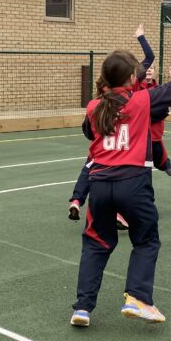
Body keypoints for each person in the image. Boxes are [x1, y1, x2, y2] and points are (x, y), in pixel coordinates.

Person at [69, 19, 171, 328]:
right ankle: (138, 298)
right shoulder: (143, 100)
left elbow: (90, 134)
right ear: (132, 78)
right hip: (133, 183)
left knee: (95, 244)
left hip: (99, 184)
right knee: (146, 240)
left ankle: (82, 308)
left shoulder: (93, 106)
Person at [68, 23, 154, 225]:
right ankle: (123, 212)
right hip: (127, 144)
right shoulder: (133, 91)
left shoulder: (96, 103)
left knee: (90, 168)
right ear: (129, 76)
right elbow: (149, 58)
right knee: (139, 169)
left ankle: (77, 200)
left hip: (103, 142)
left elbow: (87, 130)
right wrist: (141, 37)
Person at [144, 64, 171, 176]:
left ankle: (165, 164)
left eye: (151, 68)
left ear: (155, 72)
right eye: (146, 67)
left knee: (161, 161)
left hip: (154, 137)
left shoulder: (160, 90)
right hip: (138, 136)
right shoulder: (136, 89)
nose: (148, 70)